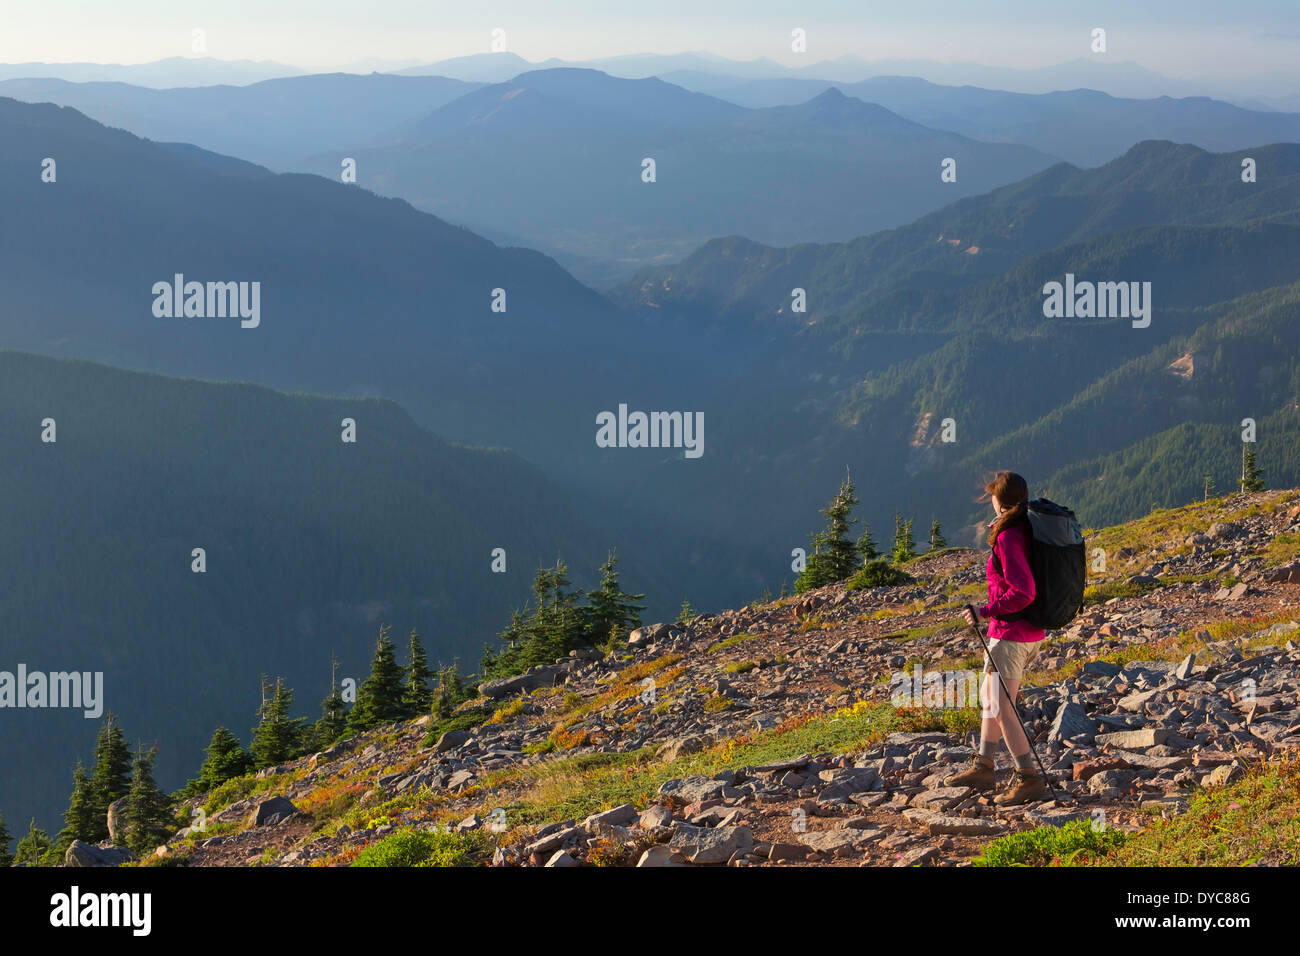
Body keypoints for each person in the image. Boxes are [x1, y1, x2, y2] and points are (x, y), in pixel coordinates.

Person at [943, 470, 1049, 805]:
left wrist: (985, 610)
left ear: (997, 499)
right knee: (990, 698)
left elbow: (1024, 591)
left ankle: (1028, 777)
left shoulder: (1009, 536)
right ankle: (984, 766)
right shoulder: (1028, 528)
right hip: (1020, 632)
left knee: (1003, 707)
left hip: (1011, 635)